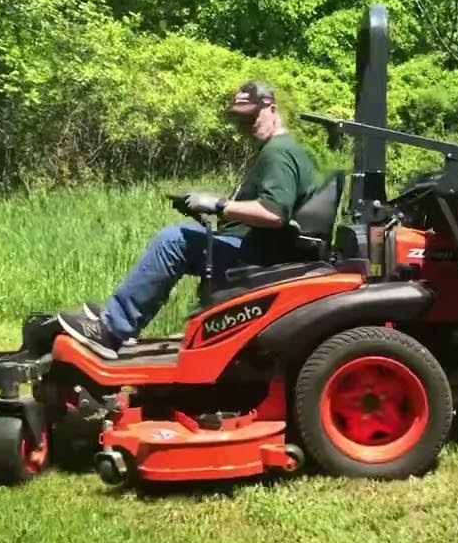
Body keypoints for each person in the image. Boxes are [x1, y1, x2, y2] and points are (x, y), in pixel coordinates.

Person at [58, 80, 319, 359]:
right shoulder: (282, 149)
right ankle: (122, 323)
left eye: (253, 116)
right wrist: (207, 208)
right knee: (182, 236)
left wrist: (219, 205)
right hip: (258, 244)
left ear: (272, 109)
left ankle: (112, 330)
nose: (248, 125)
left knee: (173, 241)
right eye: (240, 119)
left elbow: (273, 213)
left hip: (262, 254)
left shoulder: (278, 152)